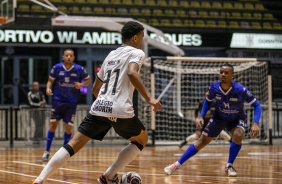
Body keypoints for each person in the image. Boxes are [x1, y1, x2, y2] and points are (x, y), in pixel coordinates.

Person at [32, 21, 161, 184]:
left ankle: (39, 179)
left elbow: (95, 88)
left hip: (99, 107)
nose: (142, 40)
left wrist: (105, 104)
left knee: (72, 145)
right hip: (120, 109)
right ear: (135, 38)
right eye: (142, 37)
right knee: (141, 140)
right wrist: (149, 98)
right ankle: (108, 175)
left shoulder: (111, 55)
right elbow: (131, 72)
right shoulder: (137, 53)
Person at [164, 63, 261, 177]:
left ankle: (229, 165)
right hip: (219, 118)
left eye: (226, 73)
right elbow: (207, 101)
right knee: (201, 142)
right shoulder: (214, 88)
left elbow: (257, 106)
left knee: (239, 134)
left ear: (232, 76)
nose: (223, 74)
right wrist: (201, 116)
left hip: (236, 118)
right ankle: (176, 164)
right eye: (221, 72)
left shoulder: (241, 90)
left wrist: (255, 123)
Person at [41, 49, 91, 161]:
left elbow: (88, 80)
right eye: (66, 55)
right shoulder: (57, 67)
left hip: (71, 102)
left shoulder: (79, 69)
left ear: (73, 58)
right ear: (63, 57)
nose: (68, 57)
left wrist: (81, 84)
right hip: (58, 100)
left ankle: (63, 153)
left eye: (71, 56)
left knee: (68, 127)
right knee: (53, 125)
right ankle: (47, 151)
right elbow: (50, 80)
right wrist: (48, 88)